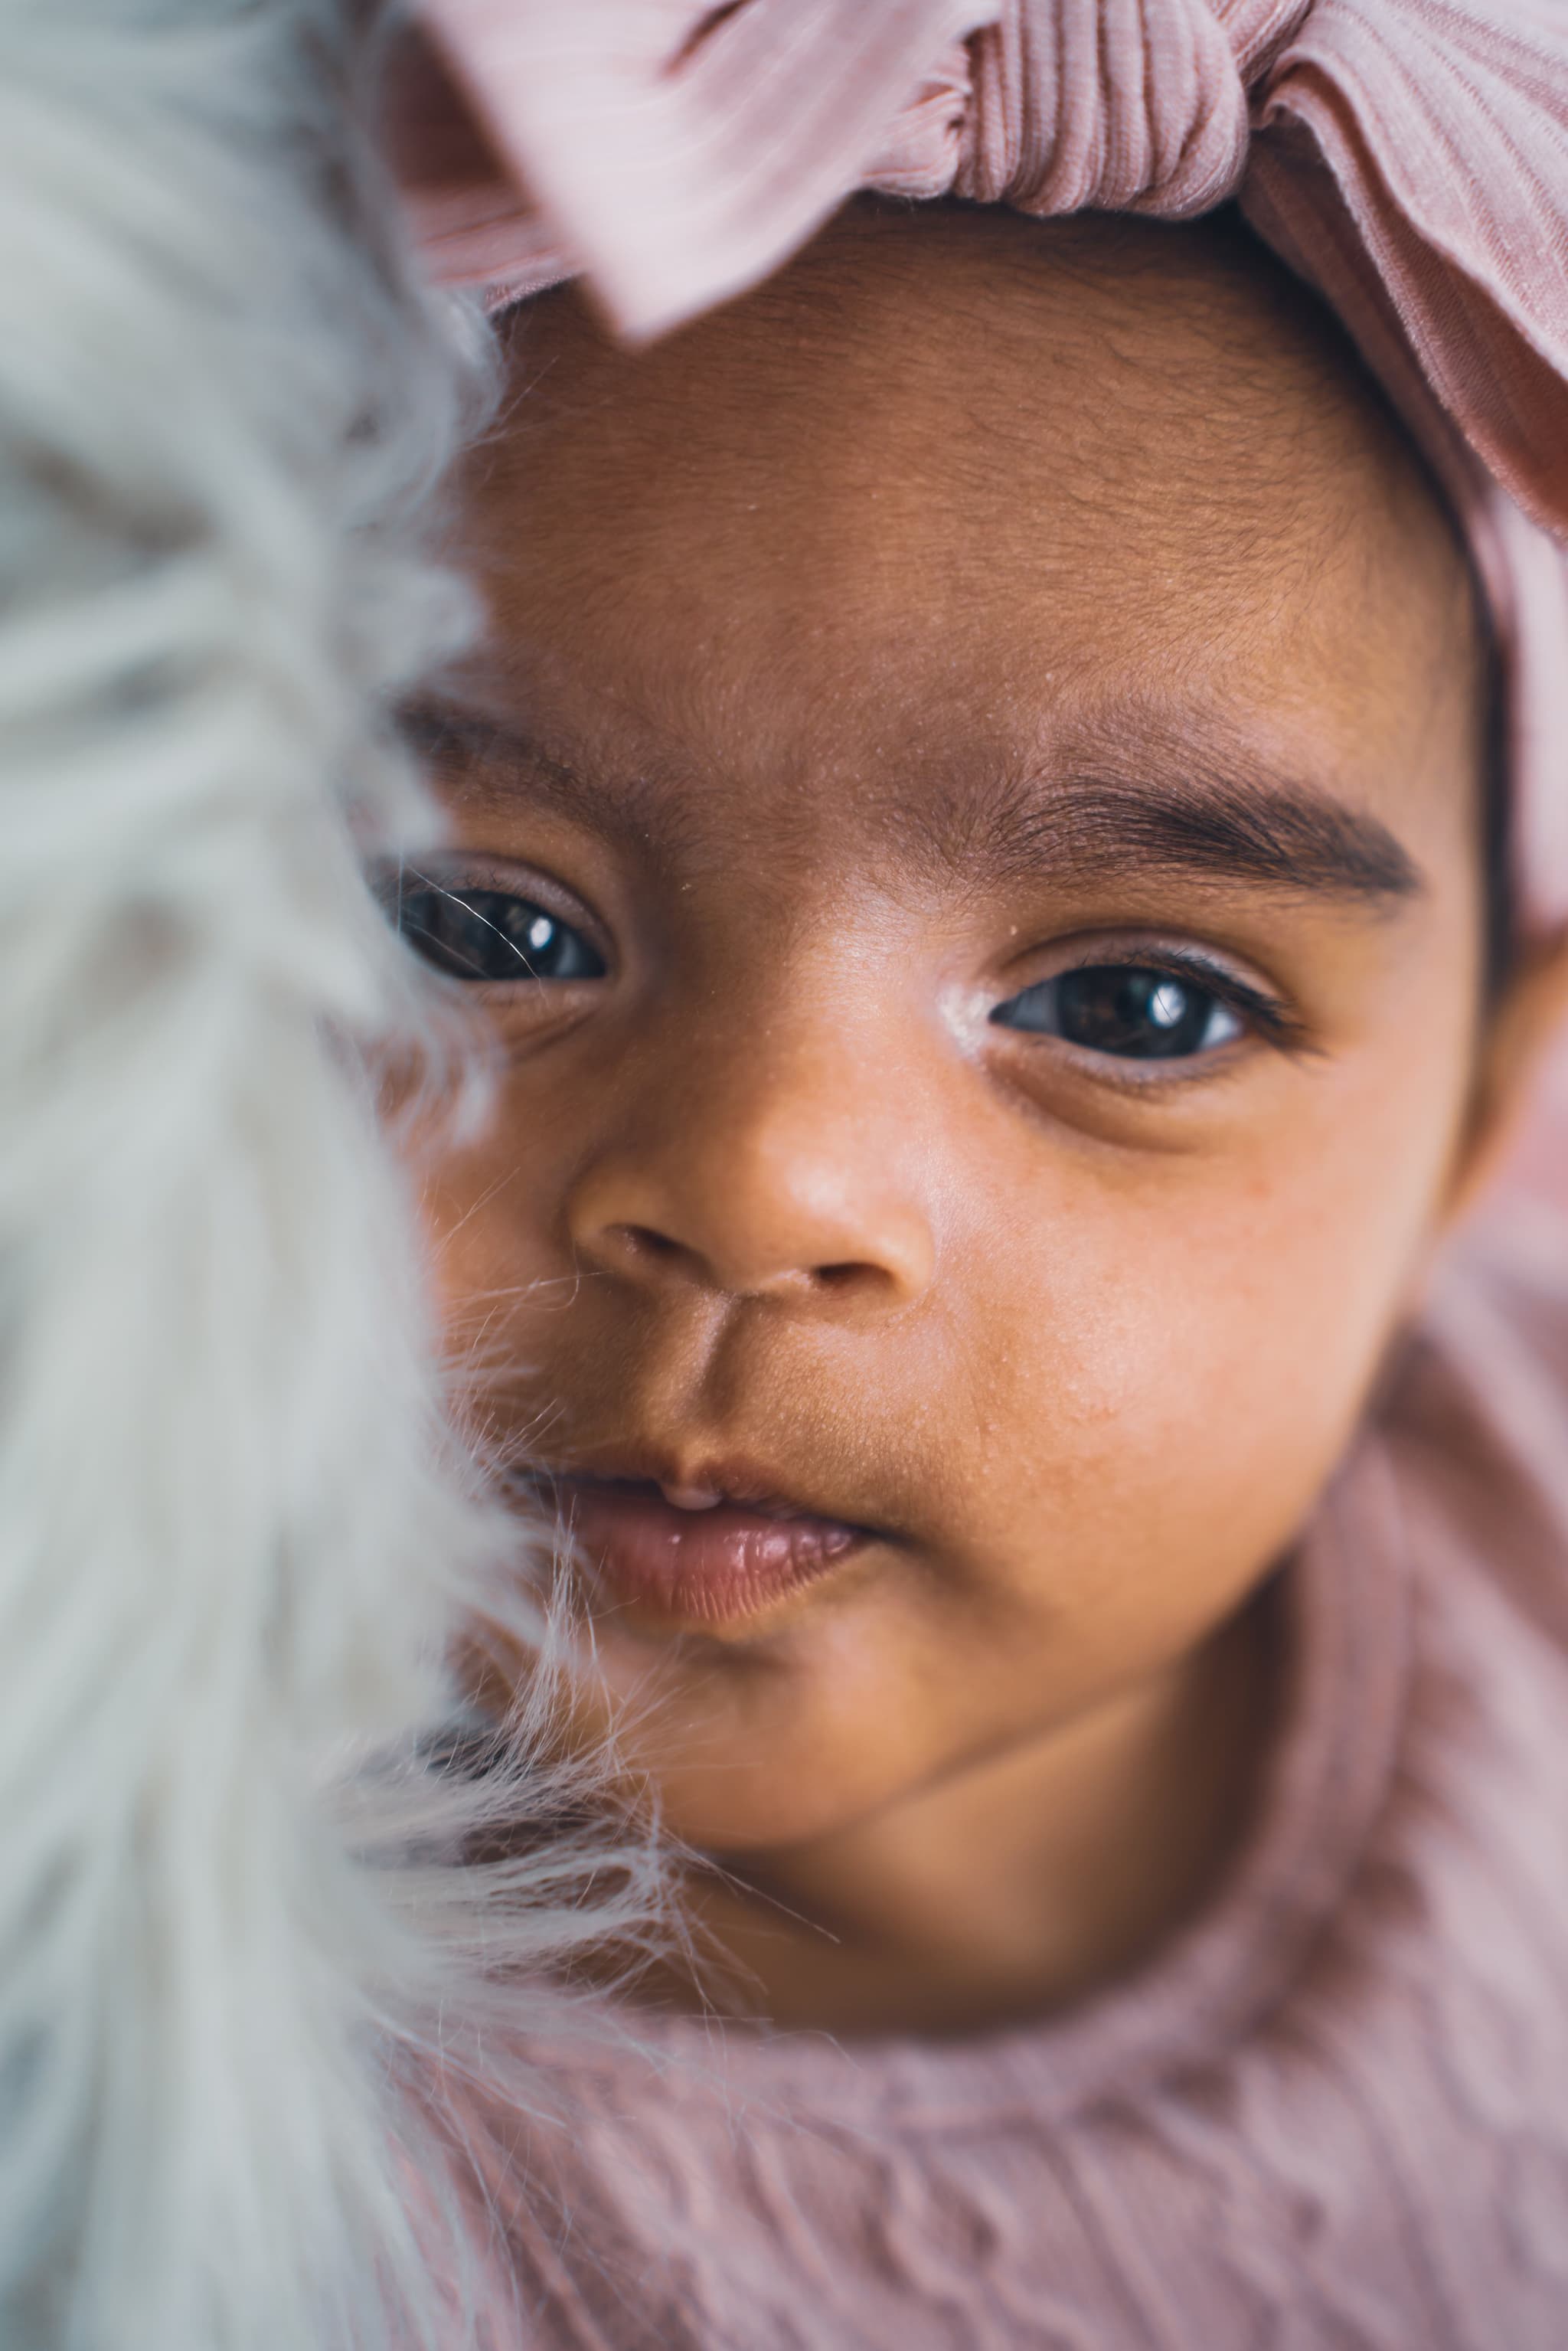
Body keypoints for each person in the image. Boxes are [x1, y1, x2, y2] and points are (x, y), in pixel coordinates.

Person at [370, 5, 1568, 2343]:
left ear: (1472, 1134)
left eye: (1140, 1009)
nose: (757, 1187)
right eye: (473, 928)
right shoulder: (188, 2145)